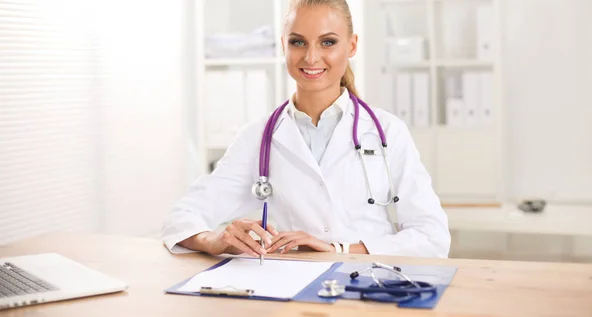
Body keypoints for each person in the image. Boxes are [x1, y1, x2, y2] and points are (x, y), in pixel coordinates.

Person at [162, 0, 450, 257]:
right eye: (298, 42)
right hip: (289, 288)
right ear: (283, 45)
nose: (311, 58)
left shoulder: (387, 131)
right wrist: (214, 240)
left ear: (351, 46)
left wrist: (342, 250)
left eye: (328, 42)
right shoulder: (258, 137)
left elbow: (432, 236)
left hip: (368, 283)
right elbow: (183, 216)